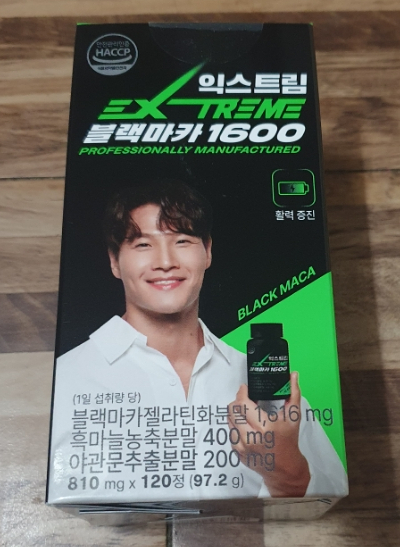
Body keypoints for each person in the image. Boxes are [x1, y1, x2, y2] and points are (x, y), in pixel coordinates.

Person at [48, 180, 347, 505]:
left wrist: (288, 473)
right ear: (114, 261)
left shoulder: (266, 379)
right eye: (143, 244)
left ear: (207, 252)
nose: (165, 261)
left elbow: (331, 493)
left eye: (182, 240)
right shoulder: (67, 378)